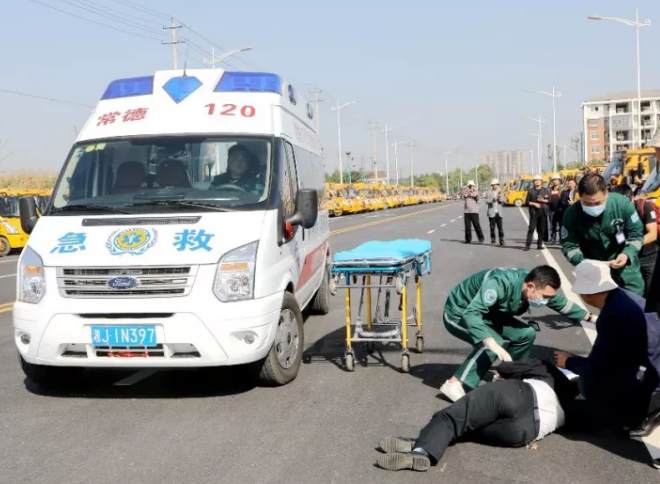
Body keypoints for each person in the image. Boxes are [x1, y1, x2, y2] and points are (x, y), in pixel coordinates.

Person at [375, 358, 578, 472]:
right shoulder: (574, 405)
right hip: (524, 432)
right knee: (467, 429)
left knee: (452, 419)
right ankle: (422, 443)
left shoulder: (548, 369)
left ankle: (420, 451)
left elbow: (505, 367)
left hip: (518, 394)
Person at [439, 265, 595, 402]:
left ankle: (505, 375)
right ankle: (455, 383)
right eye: (545, 297)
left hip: (489, 316)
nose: (546, 301)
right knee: (493, 343)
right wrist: (491, 342)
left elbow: (559, 302)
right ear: (531, 286)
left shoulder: (533, 286)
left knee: (526, 333)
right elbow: (471, 314)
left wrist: (590, 317)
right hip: (459, 313)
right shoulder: (499, 283)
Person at [554, 260, 660, 438]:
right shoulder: (627, 297)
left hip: (647, 379)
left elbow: (596, 366)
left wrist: (568, 361)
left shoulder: (612, 316)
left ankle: (646, 413)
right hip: (652, 362)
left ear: (586, 294)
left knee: (587, 385)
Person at [561, 173, 645, 296]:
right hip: (595, 272)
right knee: (608, 310)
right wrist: (585, 262)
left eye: (597, 202)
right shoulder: (572, 213)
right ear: (579, 196)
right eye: (587, 203)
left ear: (606, 193)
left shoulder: (622, 205)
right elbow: (569, 246)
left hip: (627, 270)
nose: (592, 207)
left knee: (635, 309)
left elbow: (636, 236)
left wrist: (627, 254)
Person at [611, 184, 658, 297]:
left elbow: (653, 234)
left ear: (631, 199)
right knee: (631, 293)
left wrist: (633, 245)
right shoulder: (613, 211)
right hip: (629, 259)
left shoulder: (644, 207)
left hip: (649, 257)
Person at [524, 175, 550, 251]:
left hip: (543, 212)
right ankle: (527, 245)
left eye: (538, 180)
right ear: (533, 182)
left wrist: (542, 200)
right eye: (535, 180)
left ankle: (539, 244)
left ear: (542, 182)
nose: (537, 182)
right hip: (533, 212)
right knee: (531, 229)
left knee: (541, 230)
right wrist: (534, 204)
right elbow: (527, 202)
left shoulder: (546, 190)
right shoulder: (530, 191)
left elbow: (549, 200)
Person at [463, 180, 484, 244]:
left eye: (471, 186)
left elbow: (477, 198)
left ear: (474, 186)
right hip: (467, 211)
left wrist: (473, 192)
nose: (470, 187)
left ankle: (481, 237)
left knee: (476, 225)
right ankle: (468, 239)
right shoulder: (466, 191)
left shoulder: (476, 192)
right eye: (469, 186)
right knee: (467, 226)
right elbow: (464, 196)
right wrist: (468, 191)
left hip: (474, 211)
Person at [485, 178, 505, 246]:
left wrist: (500, 198)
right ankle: (493, 241)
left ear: (498, 185)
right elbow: (487, 201)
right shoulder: (489, 192)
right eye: (493, 185)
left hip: (499, 213)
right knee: (492, 228)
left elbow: (504, 201)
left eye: (496, 185)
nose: (495, 186)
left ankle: (501, 240)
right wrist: (493, 199)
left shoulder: (501, 192)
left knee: (500, 228)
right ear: (492, 185)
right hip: (492, 213)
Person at [548, 175, 562, 244]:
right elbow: (547, 198)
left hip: (560, 211)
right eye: (554, 180)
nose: (555, 181)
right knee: (552, 226)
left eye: (556, 180)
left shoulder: (563, 189)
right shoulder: (549, 189)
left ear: (559, 181)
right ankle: (553, 239)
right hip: (551, 210)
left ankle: (561, 239)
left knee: (561, 226)